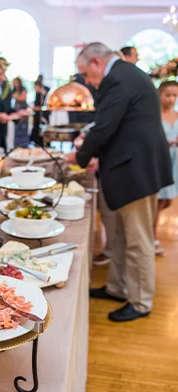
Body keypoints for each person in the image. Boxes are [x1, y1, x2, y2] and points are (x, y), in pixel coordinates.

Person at [65, 42, 172, 322]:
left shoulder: (119, 79)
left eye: (85, 74)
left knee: (138, 240)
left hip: (136, 171)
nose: (86, 81)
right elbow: (123, 128)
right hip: (132, 167)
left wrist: (78, 156)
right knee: (122, 237)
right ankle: (117, 287)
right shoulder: (126, 74)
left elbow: (104, 128)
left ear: (97, 62)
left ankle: (139, 302)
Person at [154, 81, 178, 254]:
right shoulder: (154, 116)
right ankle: (152, 236)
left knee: (167, 200)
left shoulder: (176, 115)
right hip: (158, 160)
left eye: (175, 95)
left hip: (174, 160)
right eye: (168, 95)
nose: (171, 99)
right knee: (157, 200)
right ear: (160, 94)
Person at [31, 79, 50, 146]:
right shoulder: (37, 94)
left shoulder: (45, 92)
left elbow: (45, 105)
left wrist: (37, 108)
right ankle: (37, 142)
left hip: (43, 115)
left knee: (43, 129)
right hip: (37, 115)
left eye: (35, 87)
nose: (35, 89)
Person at [12, 77, 29, 147]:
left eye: (16, 82)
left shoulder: (23, 89)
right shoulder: (14, 90)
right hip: (16, 113)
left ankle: (24, 145)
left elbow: (23, 98)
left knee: (23, 130)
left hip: (23, 113)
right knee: (16, 130)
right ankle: (17, 146)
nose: (15, 84)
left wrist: (15, 96)